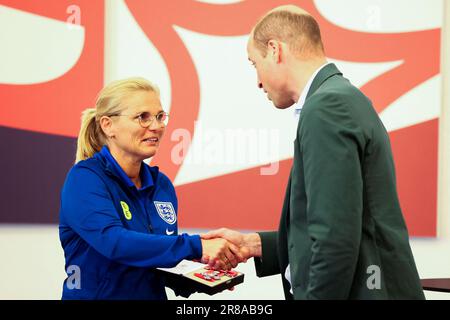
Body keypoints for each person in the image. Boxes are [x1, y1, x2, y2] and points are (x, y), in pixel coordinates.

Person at [202, 5, 425, 299]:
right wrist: (253, 245)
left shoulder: (327, 108)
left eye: (254, 64)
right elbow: (338, 225)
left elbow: (335, 238)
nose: (257, 80)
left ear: (275, 50)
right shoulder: (339, 97)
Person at [59, 77, 242, 300]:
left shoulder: (161, 185)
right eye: (142, 117)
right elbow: (114, 242)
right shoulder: (85, 179)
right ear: (108, 125)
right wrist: (197, 246)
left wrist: (203, 276)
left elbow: (154, 262)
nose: (156, 126)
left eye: (159, 116)